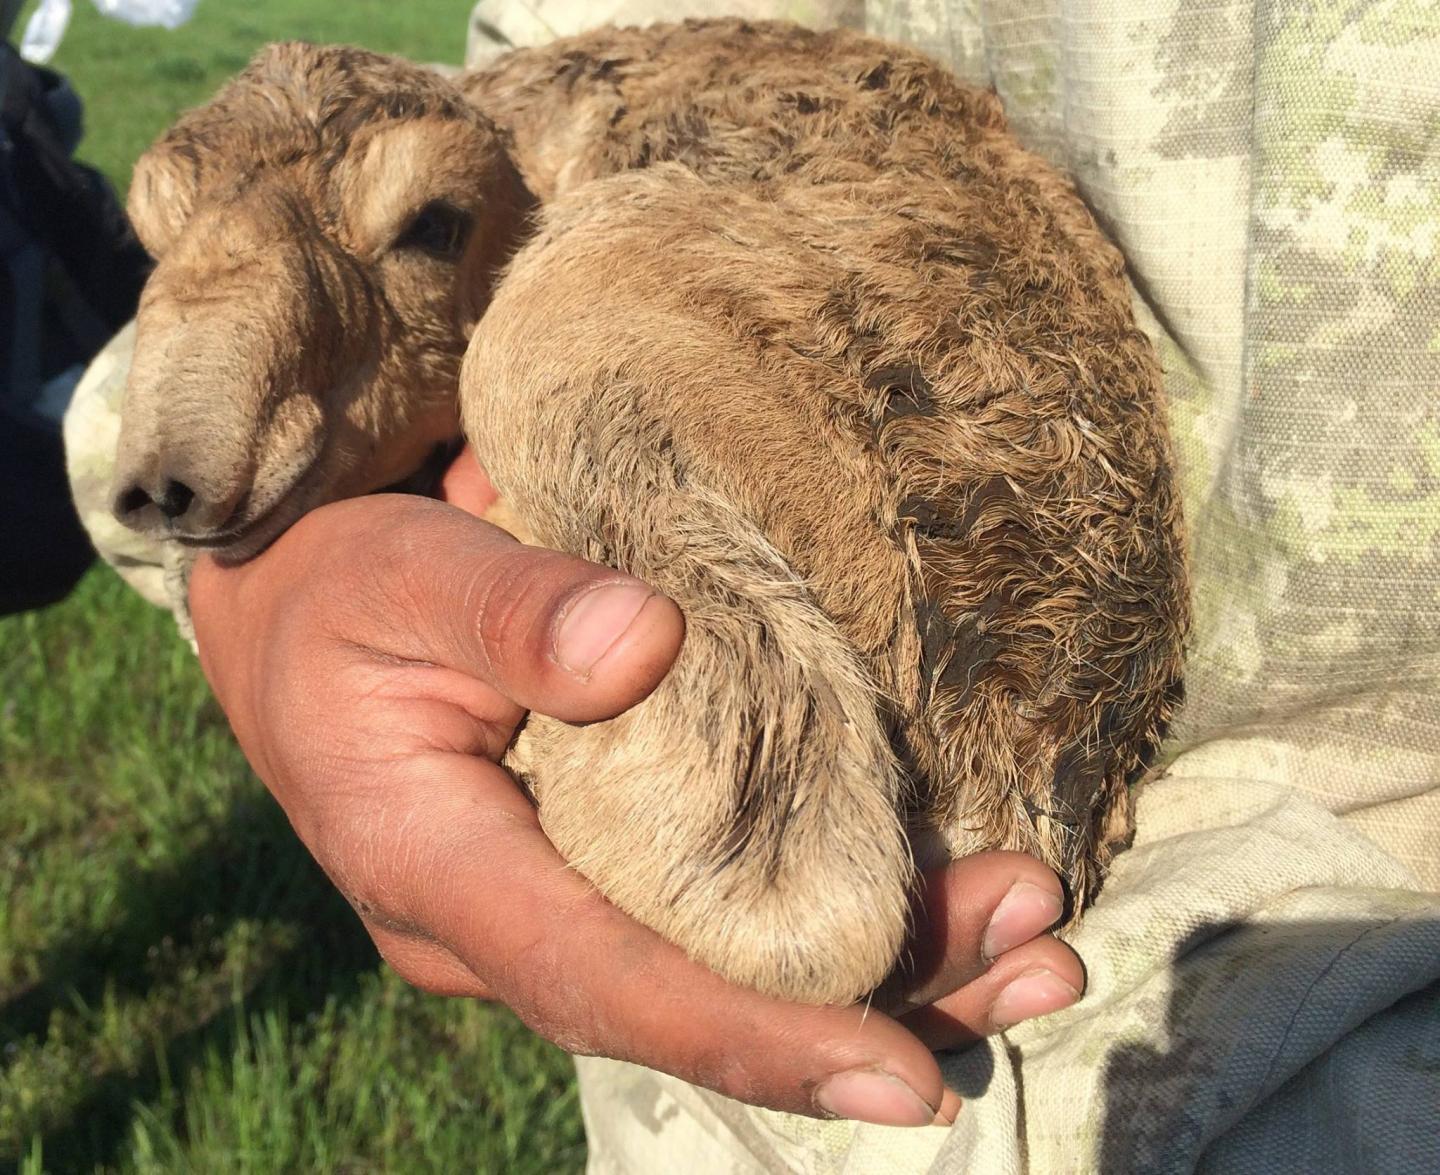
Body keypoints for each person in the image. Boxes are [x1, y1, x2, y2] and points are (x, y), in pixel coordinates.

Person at [67, 2, 1440, 1170]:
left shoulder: (577, 314)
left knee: (562, 349)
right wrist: (262, 598)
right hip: (718, 1125)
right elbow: (540, 70)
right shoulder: (532, 197)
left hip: (1350, 1038)